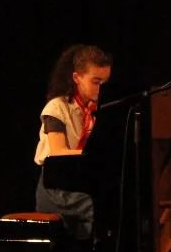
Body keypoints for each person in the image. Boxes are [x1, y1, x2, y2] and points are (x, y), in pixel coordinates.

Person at [34, 44, 113, 241]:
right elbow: (58, 152)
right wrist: (94, 156)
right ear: (77, 78)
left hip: (79, 182)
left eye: (105, 83)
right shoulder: (57, 108)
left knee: (113, 204)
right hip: (54, 187)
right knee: (95, 207)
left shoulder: (96, 111)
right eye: (96, 82)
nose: (101, 89)